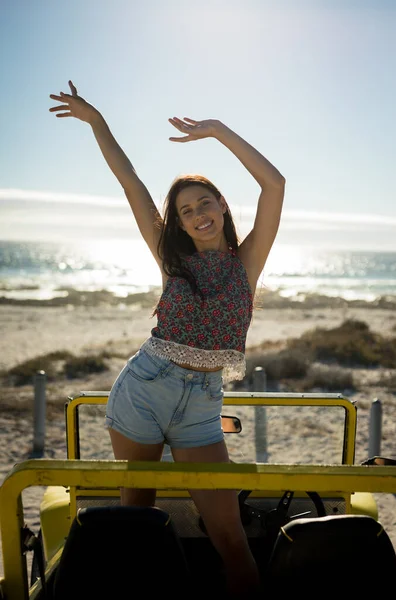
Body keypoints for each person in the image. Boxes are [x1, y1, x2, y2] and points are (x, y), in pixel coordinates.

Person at [49, 80, 285, 597]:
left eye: (205, 203)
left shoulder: (245, 263)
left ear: (222, 206)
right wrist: (96, 122)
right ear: (178, 222)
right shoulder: (172, 259)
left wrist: (219, 131)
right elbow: (131, 182)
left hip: (203, 404)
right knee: (136, 520)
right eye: (185, 210)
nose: (198, 214)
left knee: (229, 533)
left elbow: (274, 184)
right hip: (145, 389)